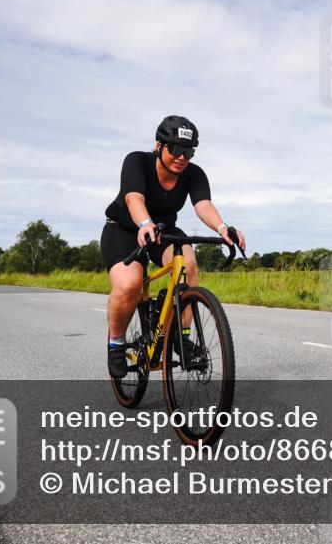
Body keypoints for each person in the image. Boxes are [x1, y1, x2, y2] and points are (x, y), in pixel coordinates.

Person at [100, 116, 246, 378]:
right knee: (130, 284)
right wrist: (144, 222)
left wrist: (223, 229)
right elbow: (133, 198)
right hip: (124, 229)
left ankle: (180, 337)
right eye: (176, 149)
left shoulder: (194, 173)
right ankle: (116, 342)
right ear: (159, 146)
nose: (182, 157)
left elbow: (203, 205)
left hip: (163, 231)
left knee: (188, 265)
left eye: (188, 152)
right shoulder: (137, 161)